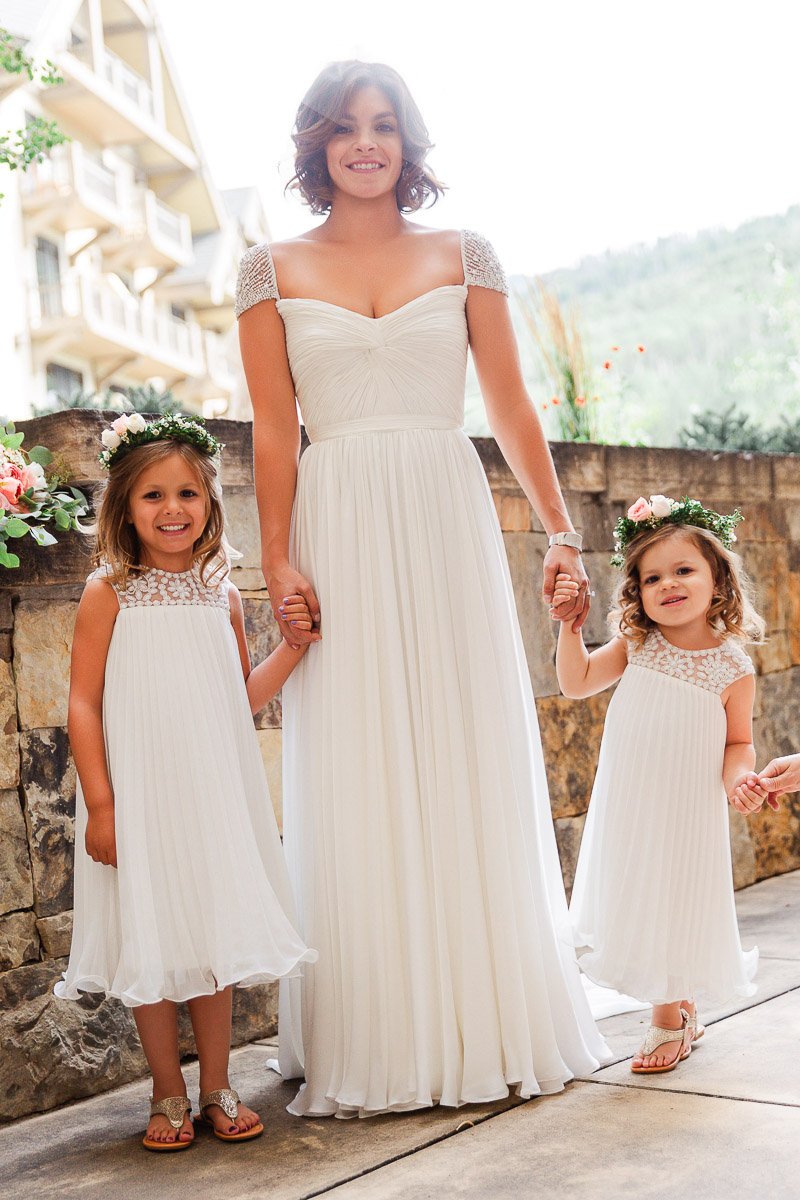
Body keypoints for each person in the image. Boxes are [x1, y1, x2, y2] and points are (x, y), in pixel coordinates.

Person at [236, 59, 609, 1119]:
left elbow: (509, 402)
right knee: (354, 755)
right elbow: (273, 428)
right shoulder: (267, 269)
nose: (367, 143)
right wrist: (276, 556)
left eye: (386, 126)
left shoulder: (463, 254)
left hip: (442, 516)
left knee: (459, 742)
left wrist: (557, 533)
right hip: (336, 516)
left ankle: (485, 1013)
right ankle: (376, 1027)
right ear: (315, 144)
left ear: (409, 143)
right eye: (346, 127)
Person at [56, 412, 317, 1150]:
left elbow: (238, 695)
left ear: (209, 503)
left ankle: (217, 1087)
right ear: (123, 508)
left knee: (212, 934)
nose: (172, 510)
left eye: (187, 495)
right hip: (139, 796)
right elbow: (81, 701)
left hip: (210, 795)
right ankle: (166, 1090)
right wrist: (101, 805)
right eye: (152, 496)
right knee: (156, 931)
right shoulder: (108, 591)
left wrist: (293, 650)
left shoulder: (222, 596)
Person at [555, 495, 767, 1075]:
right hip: (631, 798)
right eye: (652, 577)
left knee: (670, 894)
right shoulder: (638, 645)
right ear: (638, 592)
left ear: (718, 578)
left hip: (685, 805)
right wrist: (570, 631)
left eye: (683, 570)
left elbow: (737, 743)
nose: (668, 584)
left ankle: (668, 1014)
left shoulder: (732, 668)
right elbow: (575, 683)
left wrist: (739, 780)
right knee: (637, 891)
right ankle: (680, 1006)